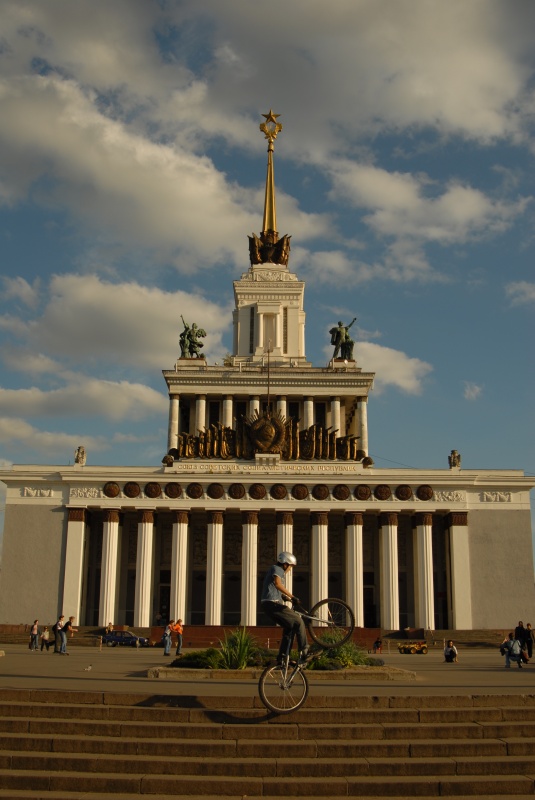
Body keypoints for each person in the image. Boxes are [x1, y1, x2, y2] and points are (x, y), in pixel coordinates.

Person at [260, 552, 308, 665]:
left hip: (268, 605)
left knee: (289, 628)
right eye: (290, 566)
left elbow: (274, 589)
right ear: (285, 564)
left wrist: (288, 599)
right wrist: (292, 596)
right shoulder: (277, 569)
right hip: (272, 604)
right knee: (299, 621)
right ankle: (305, 651)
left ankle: (282, 658)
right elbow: (277, 584)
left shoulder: (274, 571)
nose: (290, 570)